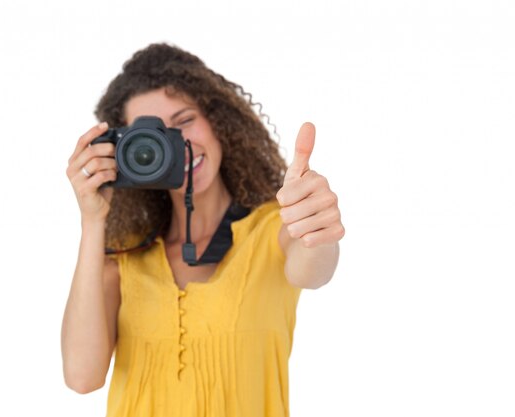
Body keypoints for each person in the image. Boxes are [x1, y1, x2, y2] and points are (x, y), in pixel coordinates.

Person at [61, 43, 344, 417]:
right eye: (154, 136)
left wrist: (315, 224)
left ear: (217, 120)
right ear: (125, 153)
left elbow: (313, 268)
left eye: (185, 120)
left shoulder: (275, 230)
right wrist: (92, 220)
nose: (178, 143)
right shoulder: (125, 259)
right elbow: (82, 377)